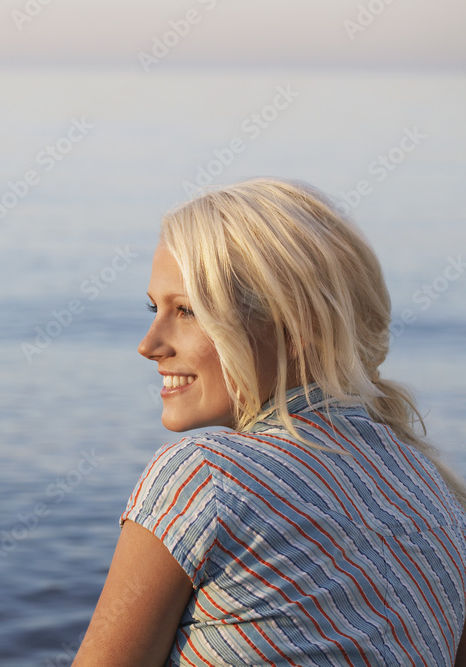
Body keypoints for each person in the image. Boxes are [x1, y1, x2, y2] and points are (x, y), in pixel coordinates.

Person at [72, 178, 466, 666]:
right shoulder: (437, 493)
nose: (149, 344)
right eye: (156, 309)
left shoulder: (202, 478)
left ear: (293, 326)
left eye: (187, 311)